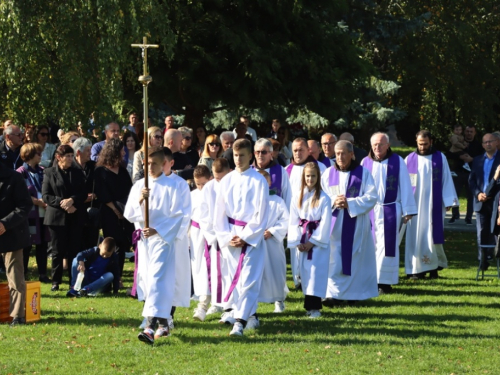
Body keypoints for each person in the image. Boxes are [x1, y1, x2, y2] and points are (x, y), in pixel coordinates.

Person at [124, 147, 183, 344]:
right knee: (151, 280)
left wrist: (158, 230)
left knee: (157, 277)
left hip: (163, 239)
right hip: (144, 240)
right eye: (147, 164)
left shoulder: (172, 186)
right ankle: (163, 323)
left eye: (154, 164)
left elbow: (177, 215)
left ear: (163, 164)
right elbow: (129, 213)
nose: (149, 167)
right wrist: (141, 198)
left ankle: (149, 325)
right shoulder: (140, 185)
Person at [214, 139, 269, 336]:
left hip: (249, 236)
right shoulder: (227, 180)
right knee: (232, 278)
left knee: (248, 279)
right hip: (230, 234)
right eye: (235, 156)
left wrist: (246, 236)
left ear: (251, 156)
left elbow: (261, 214)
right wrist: (227, 235)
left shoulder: (258, 180)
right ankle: (248, 315)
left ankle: (240, 321)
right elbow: (219, 211)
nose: (238, 160)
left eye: (242, 155)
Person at [321, 140, 378, 305]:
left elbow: (372, 197)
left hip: (356, 224)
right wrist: (333, 201)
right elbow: (321, 197)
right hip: (334, 225)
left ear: (351, 154)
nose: (339, 157)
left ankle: (354, 294)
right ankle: (332, 295)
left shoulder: (363, 173)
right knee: (333, 258)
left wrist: (350, 203)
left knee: (355, 258)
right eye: (337, 153)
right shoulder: (328, 174)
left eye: (343, 153)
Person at [361, 133, 417, 294]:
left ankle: (384, 282)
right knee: (370, 245)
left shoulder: (397, 161)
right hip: (370, 210)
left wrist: (408, 210)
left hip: (390, 209)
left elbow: (405, 185)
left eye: (380, 144)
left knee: (387, 246)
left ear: (388, 145)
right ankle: (369, 279)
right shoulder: (365, 162)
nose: (377, 148)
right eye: (374, 145)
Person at [405, 130, 458, 279]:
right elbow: (403, 184)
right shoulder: (409, 159)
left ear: (431, 142)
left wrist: (448, 200)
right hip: (414, 206)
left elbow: (446, 179)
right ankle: (415, 270)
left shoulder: (440, 158)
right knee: (415, 237)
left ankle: (433, 268)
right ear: (416, 142)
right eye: (420, 144)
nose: (422, 147)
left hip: (434, 205)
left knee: (432, 236)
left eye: (425, 144)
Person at [288, 162, 331, 317]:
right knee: (305, 273)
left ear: (318, 177)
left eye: (313, 176)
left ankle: (316, 308)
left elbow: (326, 223)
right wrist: (297, 241)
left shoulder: (324, 198)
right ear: (303, 177)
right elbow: (293, 220)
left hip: (317, 243)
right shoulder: (298, 196)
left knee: (315, 273)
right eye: (307, 176)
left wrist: (312, 242)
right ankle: (309, 307)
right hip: (303, 237)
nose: (310, 179)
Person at [42, 145, 87, 291]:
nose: (70, 158)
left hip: (75, 214)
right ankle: (56, 281)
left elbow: (83, 193)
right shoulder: (49, 172)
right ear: (58, 157)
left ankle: (73, 280)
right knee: (57, 250)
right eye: (67, 156)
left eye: (71, 155)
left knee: (74, 249)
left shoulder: (78, 172)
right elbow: (46, 195)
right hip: (56, 217)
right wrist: (63, 203)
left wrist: (72, 200)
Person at [286, 138, 327, 287]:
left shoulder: (320, 167)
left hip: (314, 219)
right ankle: (298, 280)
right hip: (295, 218)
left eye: (301, 150)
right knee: (296, 252)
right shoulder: (287, 170)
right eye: (295, 150)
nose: (297, 153)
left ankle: (311, 281)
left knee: (313, 254)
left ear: (308, 150)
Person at [94, 139, 134, 283]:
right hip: (109, 212)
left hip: (124, 211)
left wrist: (124, 210)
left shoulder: (122, 170)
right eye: (121, 150)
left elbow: (130, 190)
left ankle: (119, 276)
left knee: (122, 245)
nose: (124, 153)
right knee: (112, 243)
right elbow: (102, 193)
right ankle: (109, 274)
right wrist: (115, 210)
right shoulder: (100, 171)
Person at [161, 147, 192, 329]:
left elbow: (185, 213)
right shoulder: (149, 183)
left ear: (171, 163)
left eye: (163, 163)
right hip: (154, 239)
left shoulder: (180, 184)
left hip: (174, 239)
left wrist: (173, 234)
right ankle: (152, 314)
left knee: (173, 278)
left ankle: (169, 315)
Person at [0, 160, 33, 326]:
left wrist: (5, 224)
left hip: (12, 235)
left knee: (15, 277)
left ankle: (18, 316)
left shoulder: (14, 178)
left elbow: (24, 206)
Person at [200, 158, 231, 317]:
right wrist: (213, 235)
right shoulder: (209, 188)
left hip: (232, 235)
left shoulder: (234, 184)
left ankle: (231, 303)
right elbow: (204, 215)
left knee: (231, 271)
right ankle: (217, 302)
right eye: (215, 177)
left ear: (229, 171)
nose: (218, 180)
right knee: (217, 271)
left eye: (221, 177)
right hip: (215, 237)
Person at [16, 143, 51, 282]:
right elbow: (19, 194)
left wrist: (47, 200)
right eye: (38, 153)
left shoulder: (43, 171)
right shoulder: (20, 172)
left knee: (43, 244)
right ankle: (23, 275)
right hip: (29, 215)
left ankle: (43, 274)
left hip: (44, 212)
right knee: (27, 245)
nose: (40, 155)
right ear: (29, 154)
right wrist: (35, 201)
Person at [257, 170, 290, 313]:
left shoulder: (277, 201)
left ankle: (279, 300)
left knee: (277, 270)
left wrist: (272, 231)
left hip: (273, 243)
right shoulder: (251, 200)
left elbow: (285, 220)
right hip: (256, 241)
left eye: (266, 181)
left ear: (270, 183)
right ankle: (254, 301)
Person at [469, 133, 500, 271]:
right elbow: (472, 180)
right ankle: (482, 261)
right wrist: (478, 194)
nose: (488, 144)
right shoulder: (477, 160)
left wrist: (489, 194)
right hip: (480, 201)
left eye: (490, 141)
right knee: (481, 232)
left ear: (497, 142)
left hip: (496, 201)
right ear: (482, 145)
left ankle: (494, 256)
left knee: (494, 231)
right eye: (485, 142)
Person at [190, 165, 213, 321]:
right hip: (196, 235)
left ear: (210, 179)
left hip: (211, 235)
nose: (200, 188)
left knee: (210, 269)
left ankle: (205, 305)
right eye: (197, 184)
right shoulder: (192, 195)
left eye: (203, 184)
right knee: (198, 269)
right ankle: (201, 300)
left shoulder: (216, 193)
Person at [449, 124, 482, 224]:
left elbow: (482, 158)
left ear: (474, 133)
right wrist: (459, 157)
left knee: (471, 196)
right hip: (458, 172)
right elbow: (449, 154)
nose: (469, 134)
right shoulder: (458, 142)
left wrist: (472, 159)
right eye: (467, 131)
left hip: (471, 173)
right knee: (455, 195)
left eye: (471, 132)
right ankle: (455, 215)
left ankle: (468, 217)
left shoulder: (478, 145)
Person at [72, 137, 99, 250]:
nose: (90, 153)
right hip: (75, 211)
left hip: (91, 212)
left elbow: (100, 184)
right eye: (88, 150)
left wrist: (95, 194)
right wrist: (81, 198)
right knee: (76, 243)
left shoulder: (94, 166)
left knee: (91, 243)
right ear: (78, 152)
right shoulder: (70, 167)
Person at [253, 138, 292, 207]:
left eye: (263, 152)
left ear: (271, 154)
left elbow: (287, 196)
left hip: (275, 216)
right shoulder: (249, 171)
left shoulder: (281, 171)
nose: (260, 155)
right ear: (254, 153)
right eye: (257, 152)